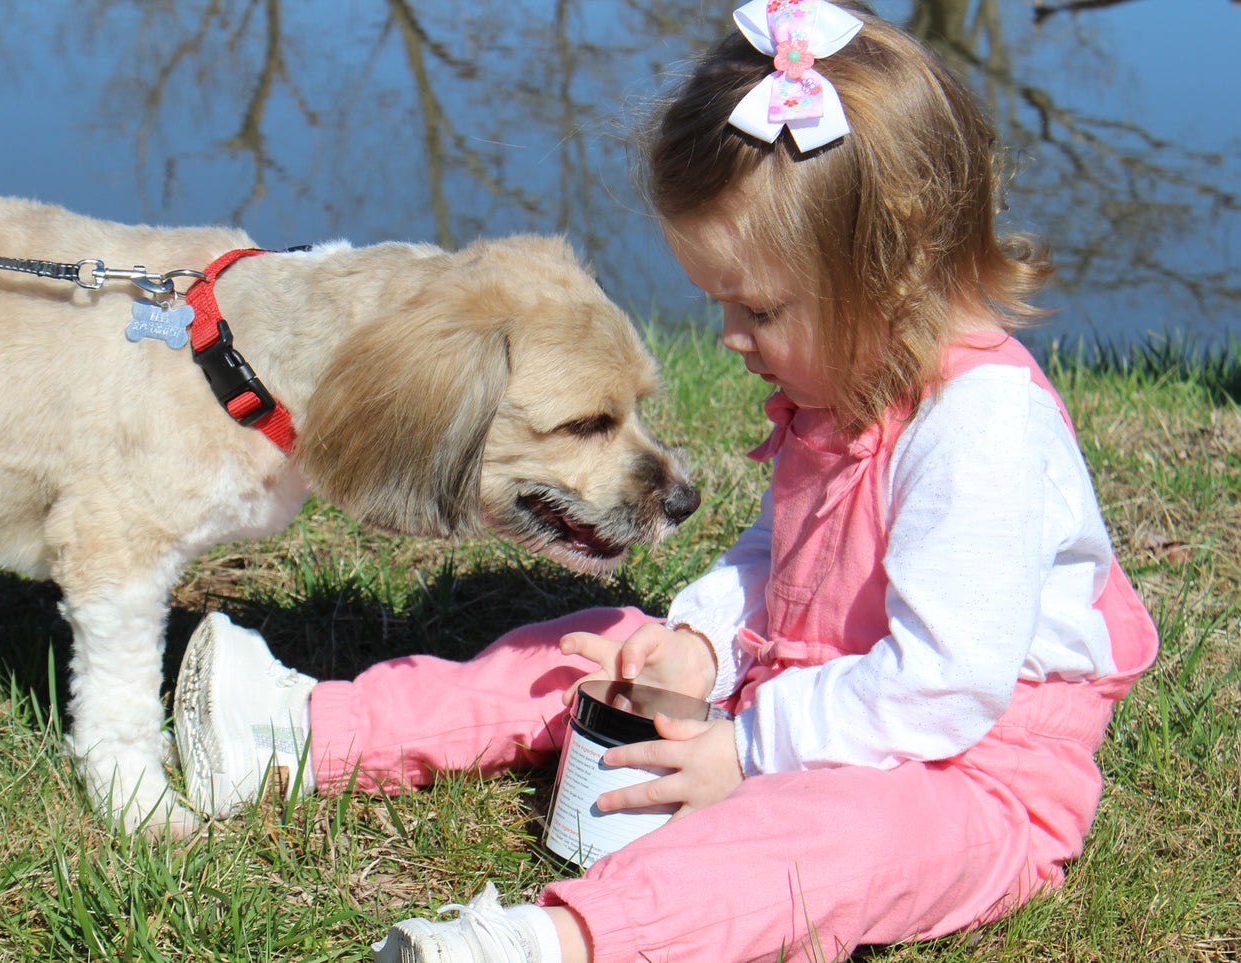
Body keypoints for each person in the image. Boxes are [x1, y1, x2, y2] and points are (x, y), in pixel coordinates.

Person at [173, 2, 1159, 960]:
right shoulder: (849, 382)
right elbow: (784, 556)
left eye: (757, 310)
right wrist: (697, 641)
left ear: (887, 276)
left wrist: (748, 749)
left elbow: (940, 690)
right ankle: (303, 733)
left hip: (963, 771)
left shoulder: (976, 428)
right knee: (587, 648)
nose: (730, 338)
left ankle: (559, 940)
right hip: (810, 695)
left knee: (829, 841)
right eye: (718, 303)